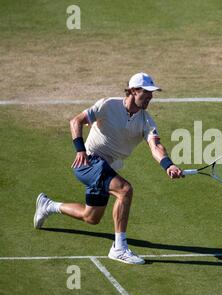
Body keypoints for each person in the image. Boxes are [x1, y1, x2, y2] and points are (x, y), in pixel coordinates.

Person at [34, 72, 183, 265]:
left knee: (91, 217)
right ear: (132, 90)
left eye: (152, 93)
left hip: (106, 167)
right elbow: (75, 121)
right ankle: (119, 248)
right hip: (89, 162)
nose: (150, 97)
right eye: (146, 92)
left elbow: (155, 147)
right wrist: (80, 150)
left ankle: (48, 205)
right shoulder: (108, 105)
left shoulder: (146, 121)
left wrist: (168, 165)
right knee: (125, 190)